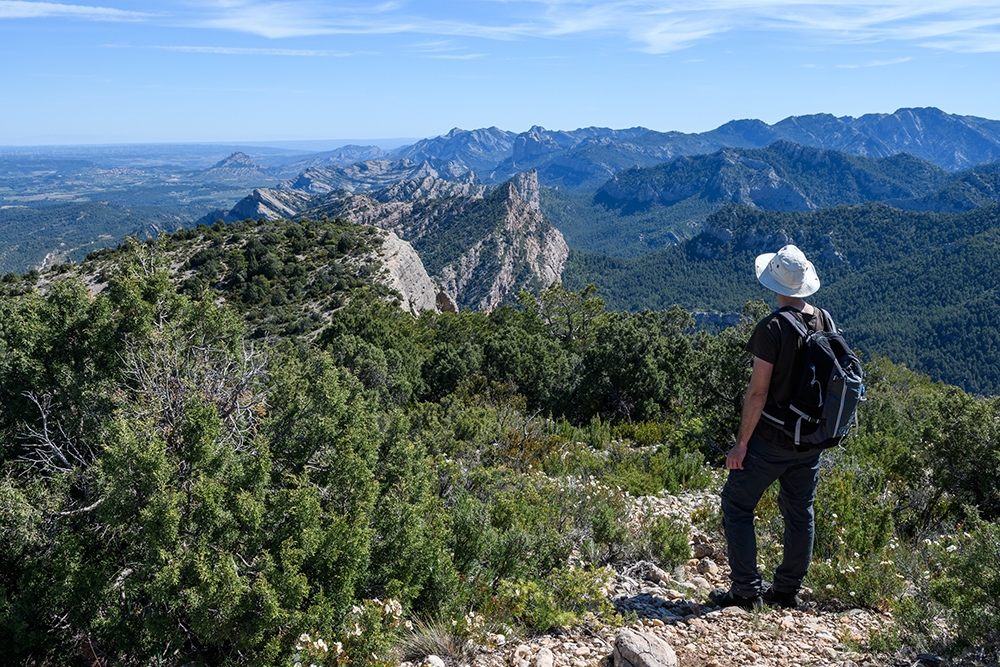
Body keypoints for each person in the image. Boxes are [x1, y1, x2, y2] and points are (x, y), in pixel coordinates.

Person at [710, 244, 830, 610]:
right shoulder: (824, 319)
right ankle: (787, 591)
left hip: (772, 438)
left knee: (737, 502)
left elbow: (758, 392)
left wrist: (740, 444)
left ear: (776, 284)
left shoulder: (773, 327)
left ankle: (746, 591)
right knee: (799, 512)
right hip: (811, 439)